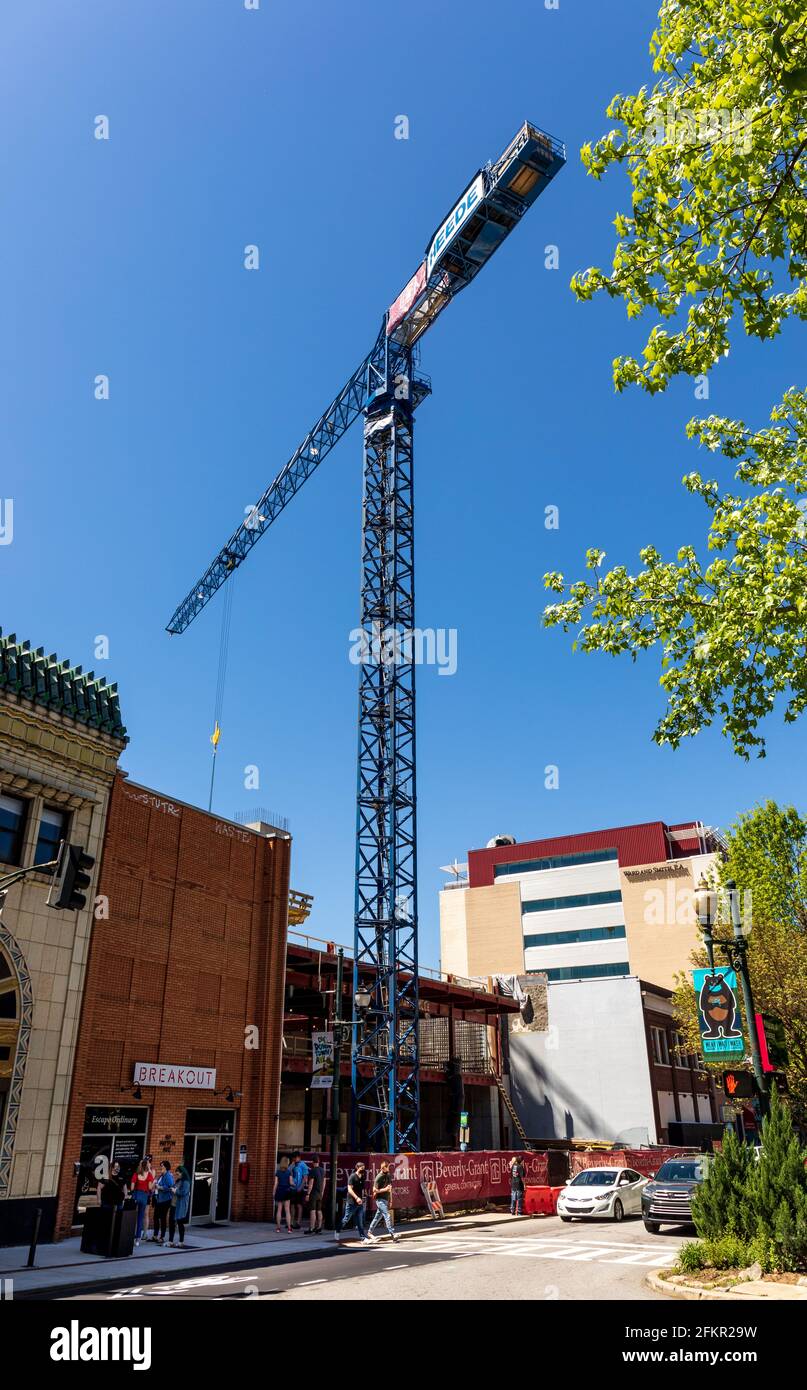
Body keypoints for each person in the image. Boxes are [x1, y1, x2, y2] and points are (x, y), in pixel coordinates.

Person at [336, 1162, 370, 1243]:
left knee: (360, 1221)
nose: (363, 1170)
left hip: (359, 1202)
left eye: (364, 1168)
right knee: (346, 1219)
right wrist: (357, 1197)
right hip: (352, 1202)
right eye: (361, 1168)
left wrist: (364, 1194)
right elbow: (349, 1189)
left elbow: (362, 1188)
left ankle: (363, 1237)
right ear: (357, 1168)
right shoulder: (352, 1176)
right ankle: (337, 1230)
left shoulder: (363, 1176)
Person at [367, 1160, 398, 1243]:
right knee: (387, 1215)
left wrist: (391, 1200)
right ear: (383, 1168)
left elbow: (390, 1188)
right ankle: (393, 1234)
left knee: (377, 1217)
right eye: (387, 1167)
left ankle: (369, 1232)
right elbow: (374, 1190)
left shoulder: (388, 1175)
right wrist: (385, 1189)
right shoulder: (379, 1177)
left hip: (386, 1200)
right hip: (379, 1200)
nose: (388, 1169)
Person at [130, 1159, 153, 1246]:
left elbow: (132, 1187)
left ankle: (129, 1235)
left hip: (136, 1195)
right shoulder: (149, 1175)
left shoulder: (136, 1174)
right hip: (144, 1197)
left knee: (132, 1216)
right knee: (140, 1218)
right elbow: (150, 1187)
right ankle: (137, 1239)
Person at [152, 1160, 175, 1245]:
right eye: (160, 1165)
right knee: (155, 1217)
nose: (160, 1167)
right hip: (159, 1199)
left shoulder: (168, 1175)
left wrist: (161, 1187)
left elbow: (171, 1187)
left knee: (162, 1218)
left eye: (162, 1166)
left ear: (166, 1167)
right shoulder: (162, 1175)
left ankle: (161, 1237)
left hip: (165, 1200)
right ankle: (155, 1235)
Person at [169, 1165, 191, 1247]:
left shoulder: (186, 1182)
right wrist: (172, 1189)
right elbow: (174, 1189)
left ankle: (181, 1241)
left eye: (177, 1172)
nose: (176, 1173)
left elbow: (183, 1192)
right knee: (171, 1223)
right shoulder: (178, 1181)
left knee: (180, 1223)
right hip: (173, 1204)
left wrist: (175, 1191)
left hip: (180, 1205)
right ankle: (170, 1241)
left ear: (182, 1172)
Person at [289, 1151, 309, 1230]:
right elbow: (288, 1173)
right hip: (292, 1188)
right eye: (293, 1158)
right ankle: (291, 1221)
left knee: (299, 1205)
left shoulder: (303, 1165)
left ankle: (298, 1222)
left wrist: (301, 1186)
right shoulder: (292, 1165)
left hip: (299, 1188)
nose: (294, 1159)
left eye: (295, 1158)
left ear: (298, 1157)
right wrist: (291, 1166)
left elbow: (305, 1178)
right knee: (292, 1205)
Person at [305, 1154, 325, 1234]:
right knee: (319, 1210)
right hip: (320, 1193)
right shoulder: (322, 1170)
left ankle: (312, 1228)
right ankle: (319, 1227)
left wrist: (308, 1194)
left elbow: (311, 1183)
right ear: (318, 1161)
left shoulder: (313, 1171)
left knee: (312, 1210)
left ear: (312, 1162)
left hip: (313, 1193)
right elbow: (324, 1183)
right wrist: (322, 1192)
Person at [273, 1154, 293, 1233]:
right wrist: (294, 1184)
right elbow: (291, 1183)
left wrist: (274, 1192)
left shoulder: (278, 1172)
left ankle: (278, 1228)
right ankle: (289, 1228)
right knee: (287, 1210)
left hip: (279, 1191)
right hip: (286, 1191)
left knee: (279, 1209)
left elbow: (275, 1183)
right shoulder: (289, 1172)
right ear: (287, 1163)